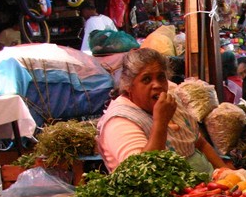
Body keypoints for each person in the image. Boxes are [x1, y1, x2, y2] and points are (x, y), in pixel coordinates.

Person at [96, 48, 228, 174]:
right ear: (129, 85)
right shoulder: (119, 121)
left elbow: (199, 142)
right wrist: (161, 122)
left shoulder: (170, 100)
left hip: (207, 187)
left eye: (161, 77)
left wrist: (229, 172)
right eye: (146, 79)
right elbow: (142, 172)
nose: (157, 85)